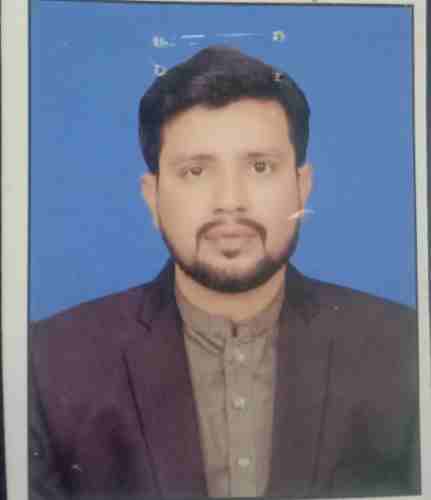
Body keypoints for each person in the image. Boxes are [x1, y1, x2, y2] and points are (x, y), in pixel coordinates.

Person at [30, 46, 419, 500]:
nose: (230, 201)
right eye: (196, 171)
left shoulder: (404, 347)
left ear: (302, 187)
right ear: (153, 198)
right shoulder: (48, 362)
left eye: (260, 167)